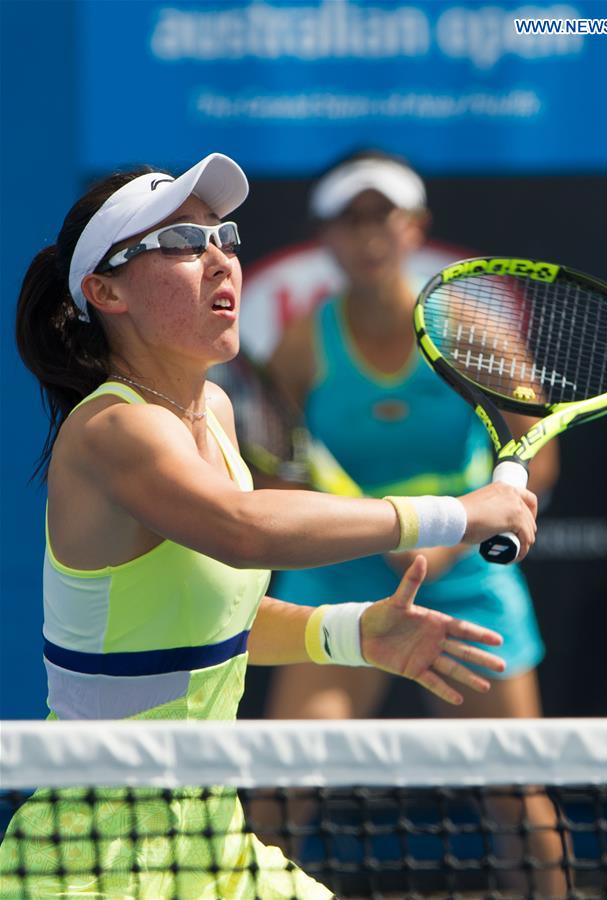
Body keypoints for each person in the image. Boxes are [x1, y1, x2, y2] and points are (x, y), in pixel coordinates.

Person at [0, 153, 538, 898]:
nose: (219, 258)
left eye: (224, 237)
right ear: (104, 290)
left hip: (214, 838)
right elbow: (245, 528)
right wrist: (455, 516)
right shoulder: (113, 431)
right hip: (98, 853)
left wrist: (353, 633)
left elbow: (220, 624)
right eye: (183, 244)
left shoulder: (216, 414)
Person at [264, 150, 564, 894]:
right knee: (278, 786)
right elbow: (279, 472)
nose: (368, 237)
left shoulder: (469, 329)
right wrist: (373, 530)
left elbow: (538, 455)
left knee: (518, 796)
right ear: (325, 236)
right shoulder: (302, 347)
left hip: (465, 575)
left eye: (383, 218)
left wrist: (453, 544)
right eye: (349, 220)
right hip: (343, 580)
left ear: (414, 229)